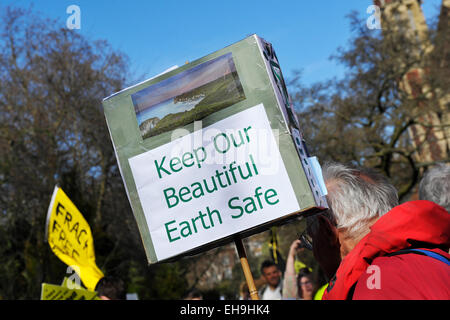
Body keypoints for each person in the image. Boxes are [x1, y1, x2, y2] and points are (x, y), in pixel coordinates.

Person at [309, 162, 450, 300]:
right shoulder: (434, 259)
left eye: (309, 237)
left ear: (327, 231)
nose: (314, 250)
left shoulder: (372, 288)